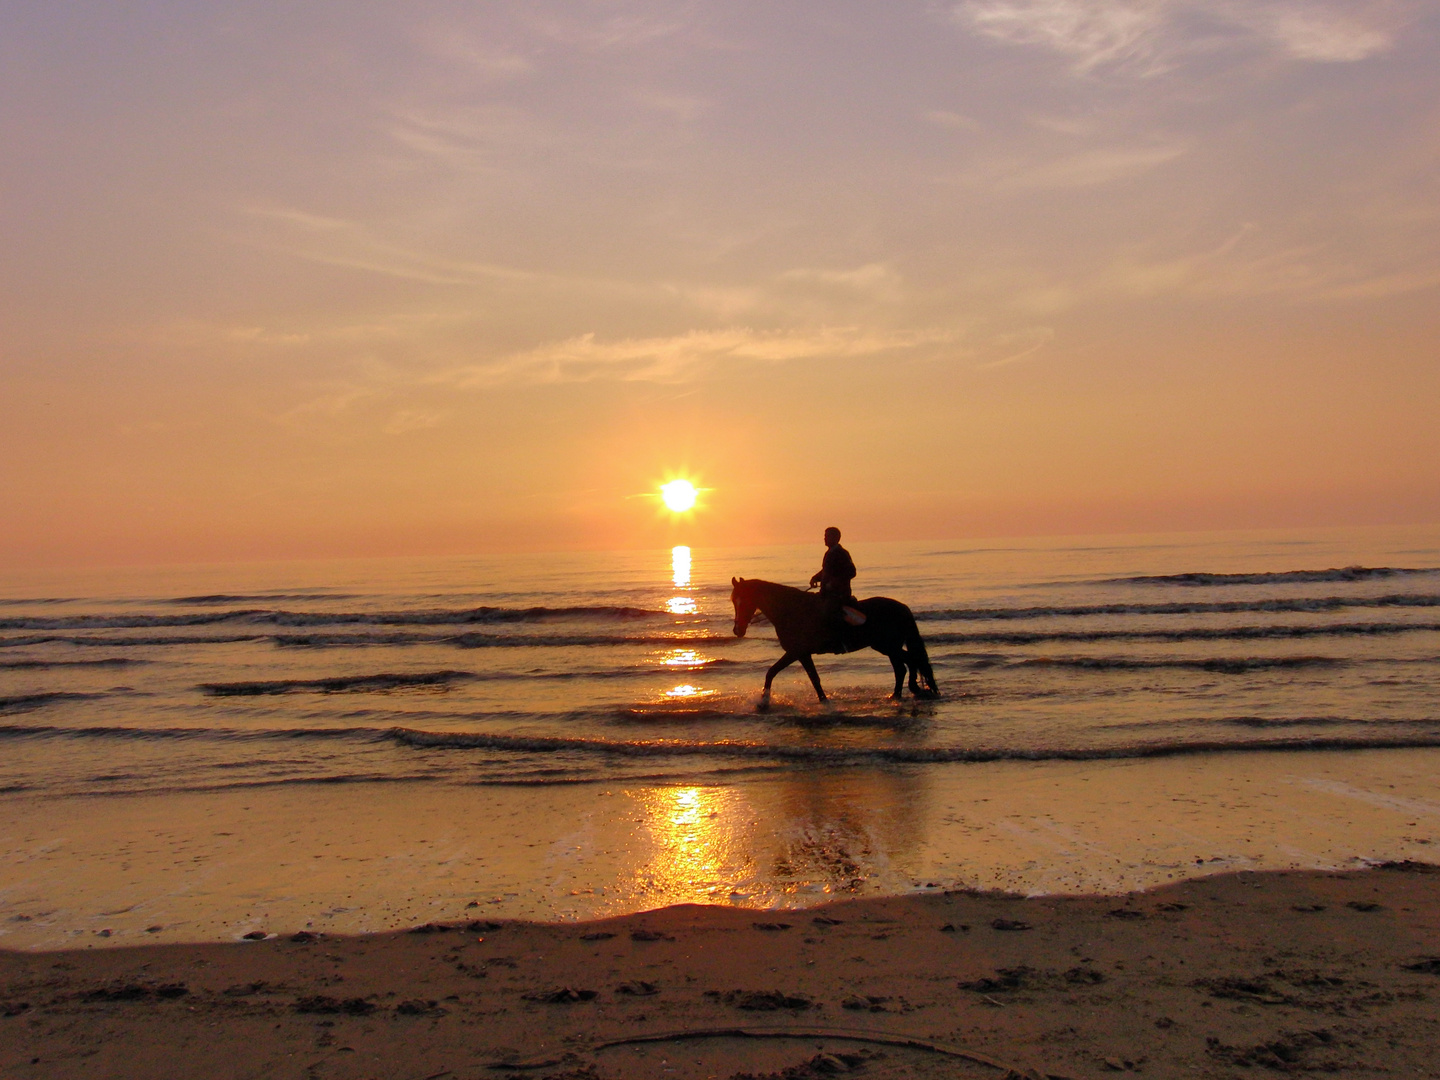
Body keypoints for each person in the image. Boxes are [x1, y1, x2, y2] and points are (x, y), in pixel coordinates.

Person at [809, 526, 864, 631]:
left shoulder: (842, 553)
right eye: (824, 536)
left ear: (835, 537)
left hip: (839, 594)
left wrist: (834, 583)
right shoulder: (828, 553)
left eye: (827, 536)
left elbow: (851, 572)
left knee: (828, 614)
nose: (824, 539)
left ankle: (841, 640)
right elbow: (825, 571)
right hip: (827, 593)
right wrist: (815, 578)